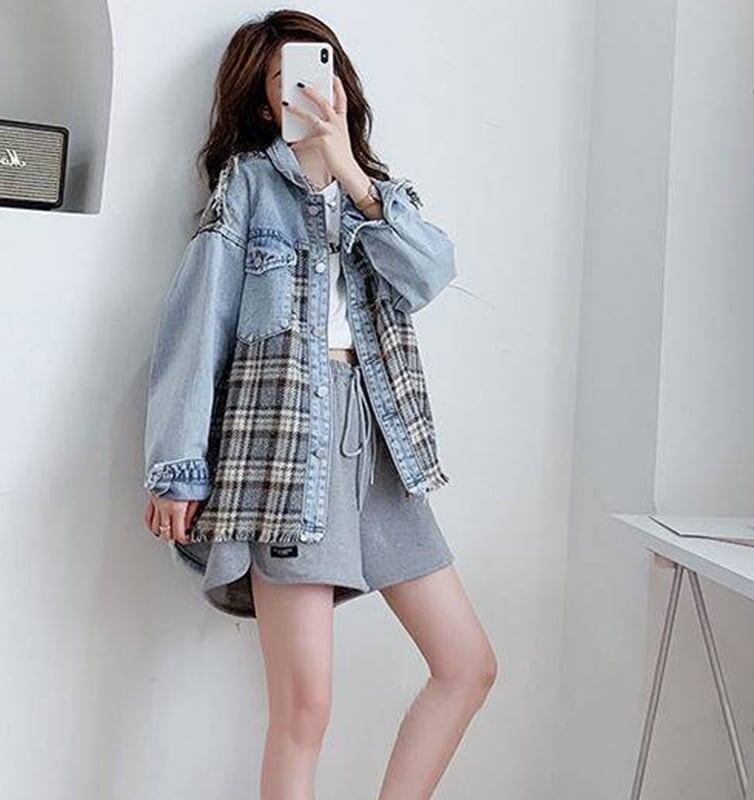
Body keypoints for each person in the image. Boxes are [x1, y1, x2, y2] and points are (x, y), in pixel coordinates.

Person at [141, 9, 497, 799]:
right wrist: (177, 466)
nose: (310, 91)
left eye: (321, 72)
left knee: (467, 665)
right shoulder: (248, 188)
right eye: (288, 81)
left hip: (380, 446)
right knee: (304, 710)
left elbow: (430, 275)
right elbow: (197, 328)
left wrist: (350, 172)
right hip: (285, 451)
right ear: (266, 103)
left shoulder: (380, 198)